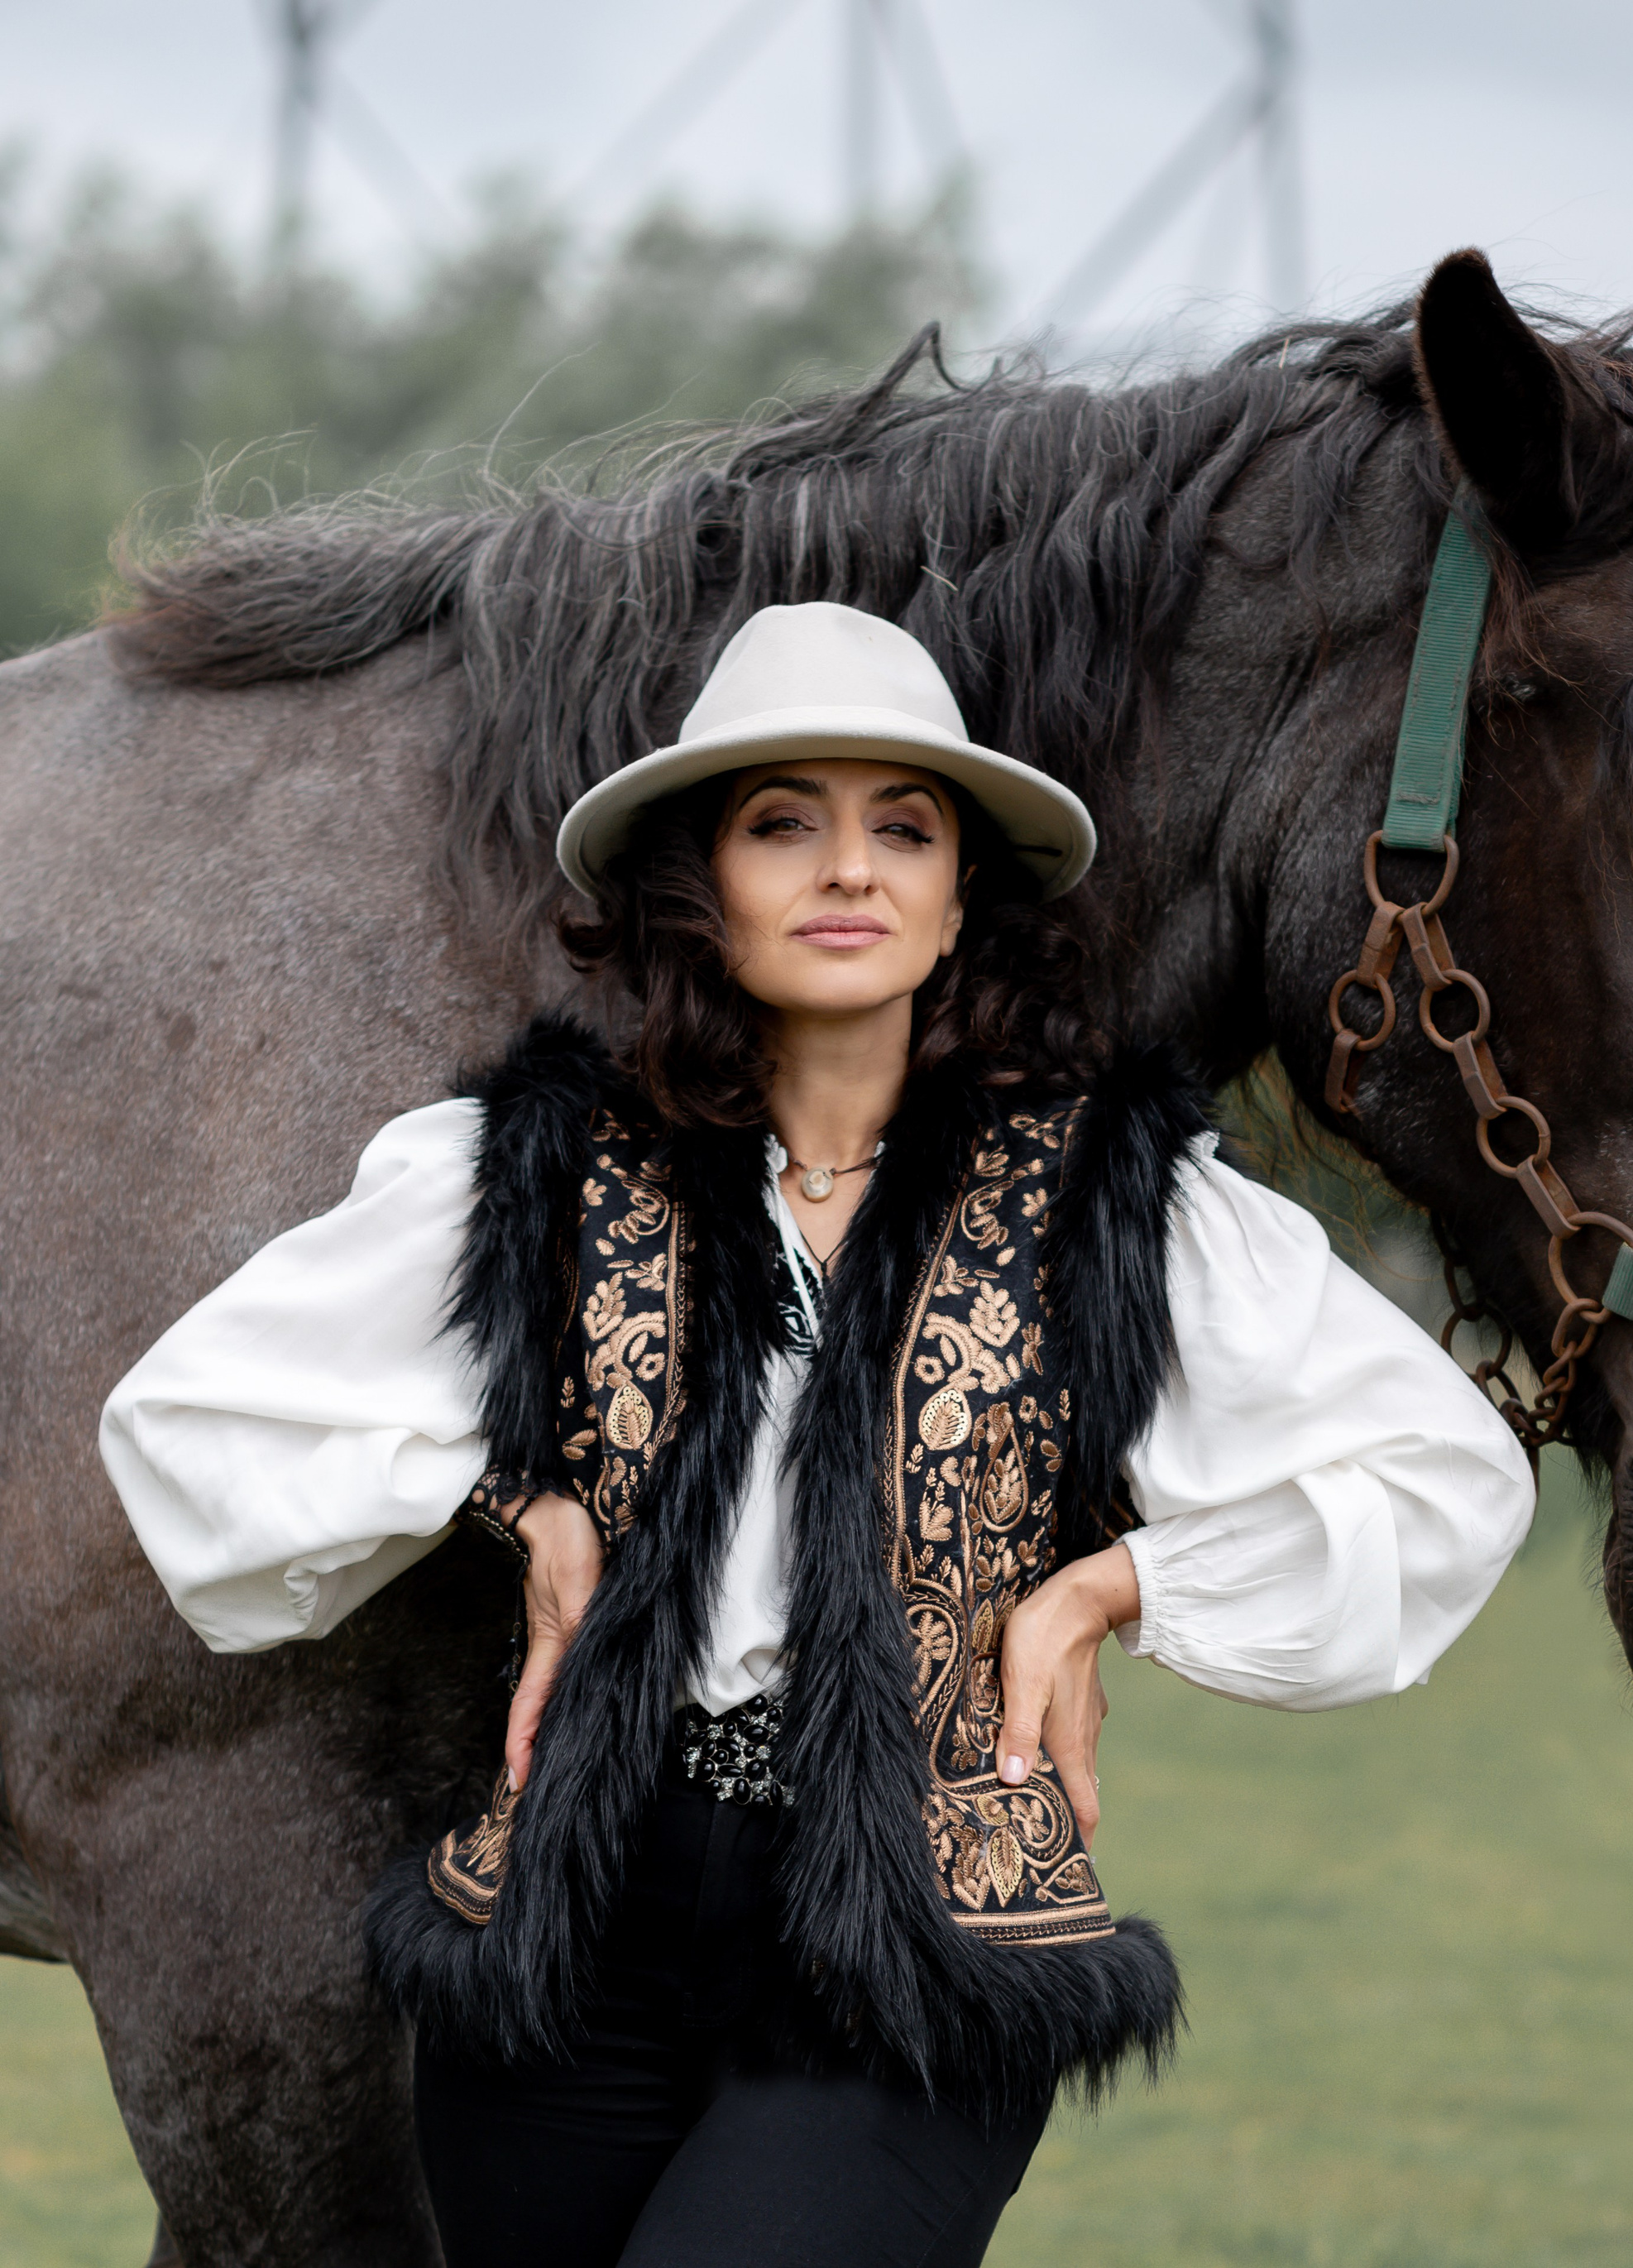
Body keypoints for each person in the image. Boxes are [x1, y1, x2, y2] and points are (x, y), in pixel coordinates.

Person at [101, 602, 1535, 2268]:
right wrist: (514, 1504)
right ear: (702, 886)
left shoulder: (1109, 1201)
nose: (848, 869)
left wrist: (1108, 1587)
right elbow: (192, 1426)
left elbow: (1441, 1479)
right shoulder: (534, 1171)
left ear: (955, 902)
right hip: (571, 1942)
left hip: (912, 1946)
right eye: (785, 822)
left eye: (901, 829)